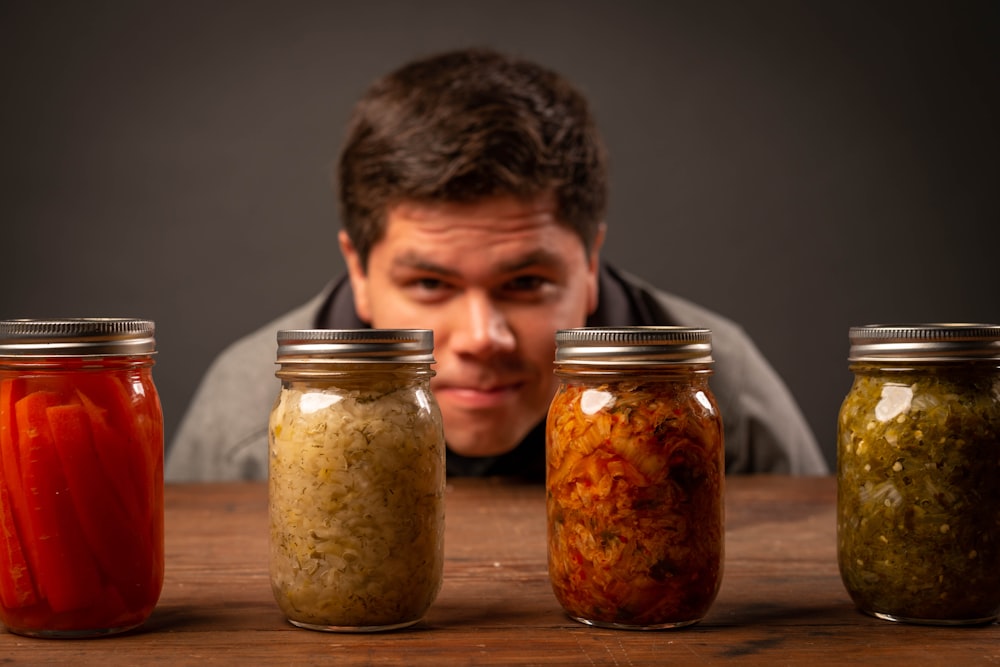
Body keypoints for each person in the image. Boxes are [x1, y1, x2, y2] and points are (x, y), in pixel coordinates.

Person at [165, 47, 828, 482]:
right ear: (358, 272)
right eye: (429, 284)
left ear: (591, 261)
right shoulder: (247, 424)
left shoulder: (721, 397)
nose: (482, 336)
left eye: (526, 284)